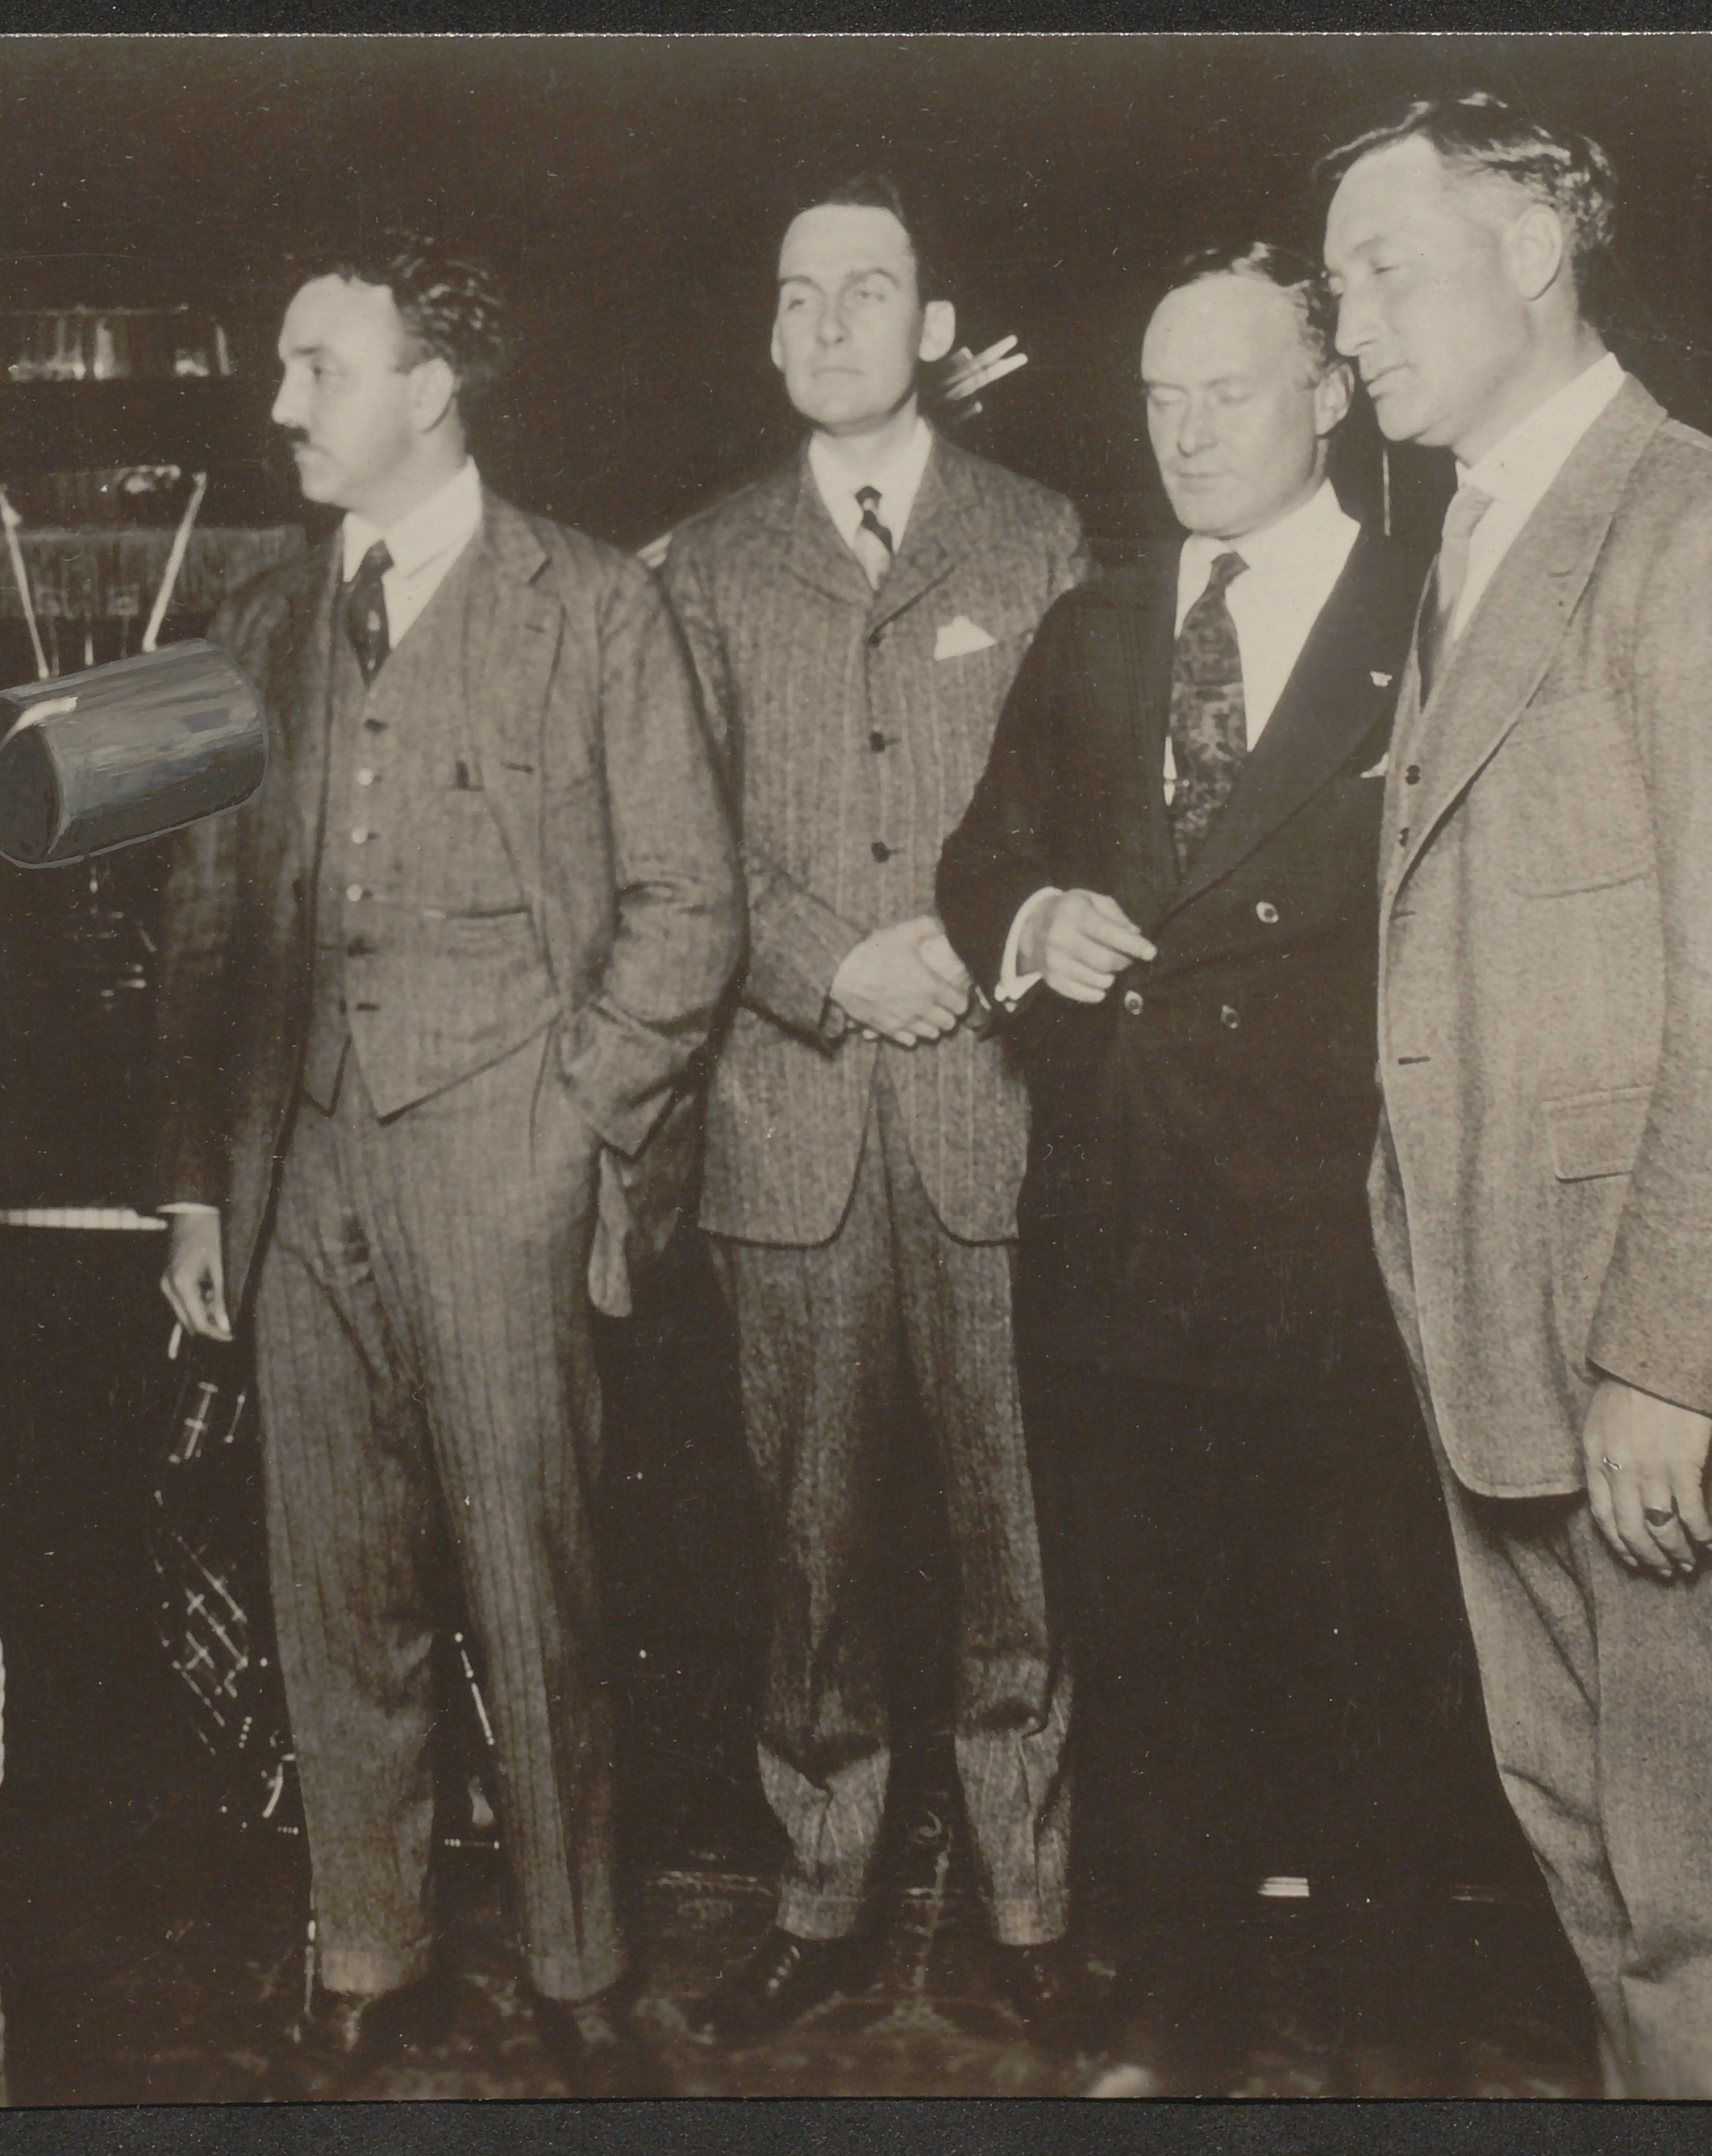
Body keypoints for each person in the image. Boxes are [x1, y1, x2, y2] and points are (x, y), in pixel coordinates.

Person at [1321, 93, 1712, 2098]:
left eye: (1380, 268)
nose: (1350, 326)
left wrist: (1665, 1362)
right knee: (1595, 1856)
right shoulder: (1479, 539)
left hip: (1662, 1368)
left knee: (1710, 1907)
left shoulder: (1707, 529)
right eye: (1331, 286)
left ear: (1532, 248)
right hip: (1512, 1344)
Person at [152, 231, 742, 2098]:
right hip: (295, 1165)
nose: (278, 404)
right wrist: (198, 1183)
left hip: (504, 1148)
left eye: (315, 367)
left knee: (527, 1567)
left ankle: (576, 1956)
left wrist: (574, 1123)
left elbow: (688, 907)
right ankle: (367, 1940)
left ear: (431, 385)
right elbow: (203, 910)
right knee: (330, 1572)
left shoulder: (590, 605)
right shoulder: (258, 615)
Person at [937, 244, 1458, 2095]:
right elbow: (974, 860)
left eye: (1223, 390)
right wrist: (1035, 913)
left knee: (1372, 1653)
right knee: (1147, 1652)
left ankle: (1391, 2030)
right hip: (1114, 1239)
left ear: (1324, 395)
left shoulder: (1440, 606)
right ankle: (1175, 2007)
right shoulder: (1097, 621)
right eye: (1157, 396)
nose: (1182, 429)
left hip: (1343, 1247)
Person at [655, 175, 1083, 2050]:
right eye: (793, 293)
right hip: (790, 1126)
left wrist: (974, 951)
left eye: (869, 289)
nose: (827, 320)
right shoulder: (702, 562)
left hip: (995, 1117)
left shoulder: (1039, 534)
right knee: (808, 1549)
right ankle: (819, 1897)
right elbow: (674, 852)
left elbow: (1081, 812)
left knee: (1021, 1539)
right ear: (768, 336)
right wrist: (834, 965)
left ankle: (1031, 1904)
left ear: (931, 326)